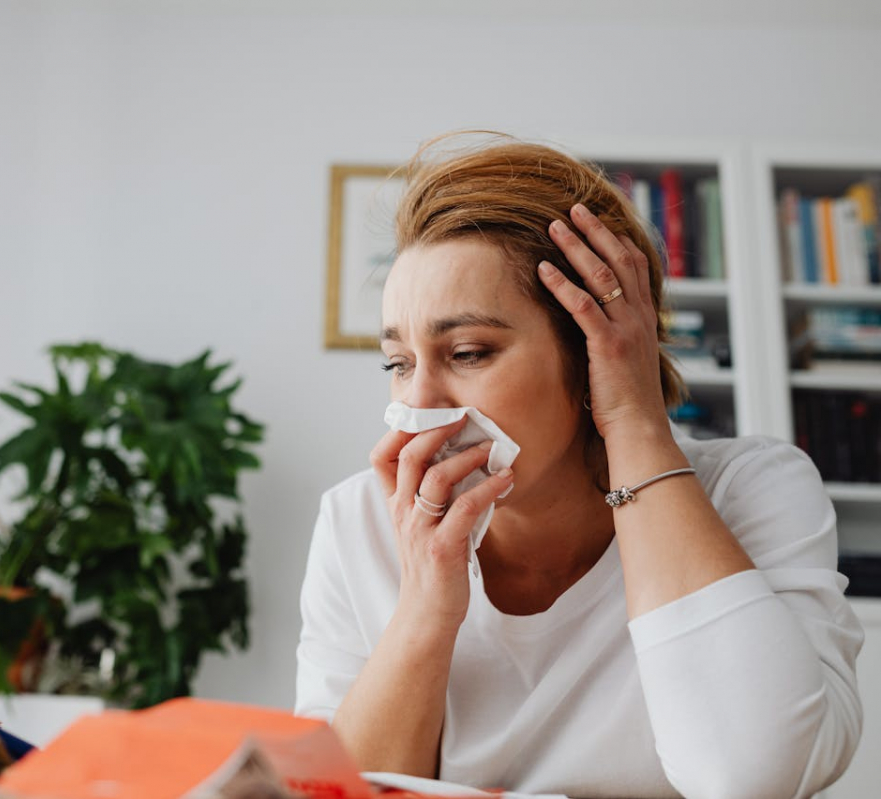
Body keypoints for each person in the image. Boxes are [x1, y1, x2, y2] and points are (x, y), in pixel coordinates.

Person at [295, 134, 863, 798]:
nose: (418, 404)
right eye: (399, 363)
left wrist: (635, 419)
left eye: (470, 352)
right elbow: (335, 792)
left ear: (596, 351)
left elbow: (755, 775)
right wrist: (426, 599)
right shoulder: (356, 519)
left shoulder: (751, 490)